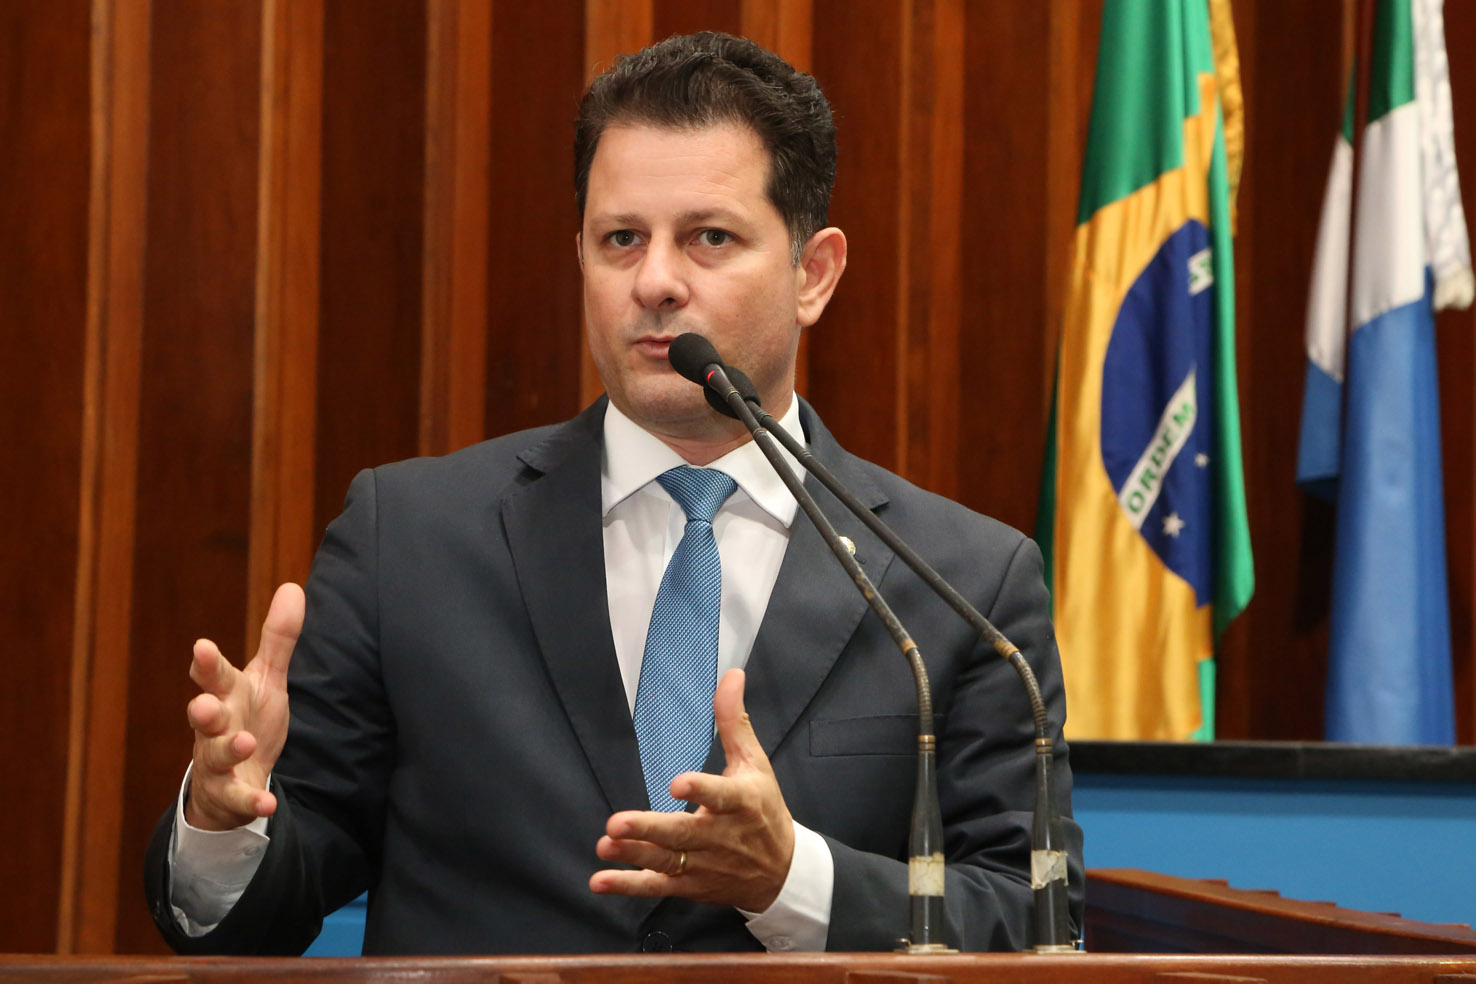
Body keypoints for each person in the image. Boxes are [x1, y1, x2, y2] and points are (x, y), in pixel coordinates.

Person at [144, 31, 1083, 955]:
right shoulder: (411, 539)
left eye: (709, 238)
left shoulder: (964, 584)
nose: (656, 282)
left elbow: (1032, 916)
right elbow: (279, 893)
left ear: (814, 274)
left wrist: (789, 878)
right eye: (621, 240)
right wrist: (225, 821)